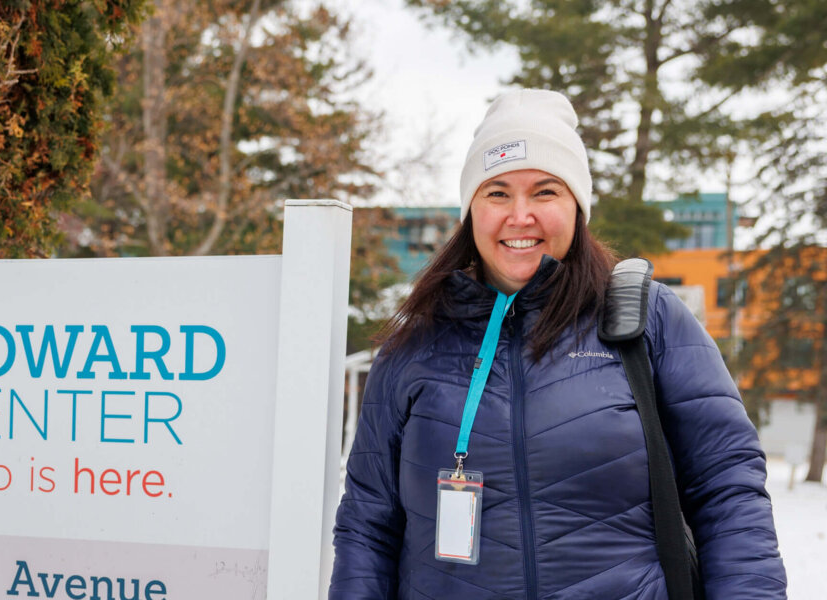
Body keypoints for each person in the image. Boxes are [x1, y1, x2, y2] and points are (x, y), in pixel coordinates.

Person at [329, 89, 787, 599]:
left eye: (545, 192)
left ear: (577, 206)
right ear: (471, 209)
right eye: (497, 192)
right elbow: (368, 524)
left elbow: (728, 493)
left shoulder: (646, 319)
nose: (520, 216)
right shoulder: (414, 344)